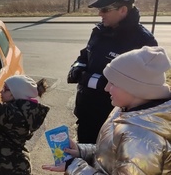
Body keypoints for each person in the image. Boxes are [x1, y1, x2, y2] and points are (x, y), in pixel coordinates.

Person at [43, 46, 171, 174]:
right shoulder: (125, 110)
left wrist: (74, 167)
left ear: (135, 89)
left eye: (113, 83)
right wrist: (81, 151)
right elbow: (111, 154)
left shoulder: (141, 142)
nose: (106, 88)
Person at [67, 0, 158, 143]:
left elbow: (143, 89)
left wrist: (88, 79)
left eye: (105, 10)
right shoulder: (100, 31)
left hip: (115, 124)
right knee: (83, 160)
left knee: (102, 165)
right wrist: (77, 67)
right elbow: (85, 54)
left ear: (123, 10)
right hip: (87, 115)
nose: (100, 14)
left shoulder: (143, 42)